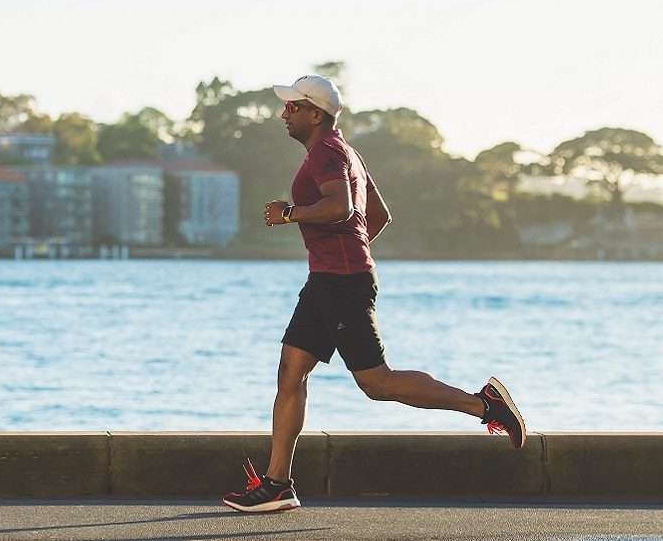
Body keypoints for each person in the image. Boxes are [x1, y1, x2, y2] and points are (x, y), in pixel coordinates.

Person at [222, 75, 526, 513]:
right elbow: (377, 215)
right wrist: (348, 251)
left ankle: (485, 406)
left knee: (377, 383)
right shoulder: (346, 153)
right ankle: (277, 484)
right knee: (291, 372)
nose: (284, 114)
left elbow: (343, 208)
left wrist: (290, 214)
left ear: (315, 113)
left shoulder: (327, 153)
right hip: (330, 280)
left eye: (292, 107)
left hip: (340, 284)